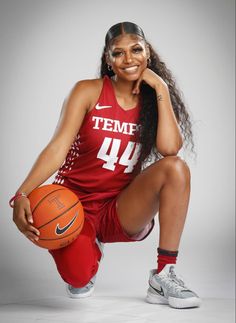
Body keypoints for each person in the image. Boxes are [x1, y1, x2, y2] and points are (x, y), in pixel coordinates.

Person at [10, 21, 201, 309]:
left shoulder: (152, 100)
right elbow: (58, 147)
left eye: (136, 50)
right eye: (118, 53)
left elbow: (170, 149)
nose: (128, 59)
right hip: (74, 206)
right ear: (108, 60)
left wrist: (160, 85)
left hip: (119, 208)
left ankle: (164, 274)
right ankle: (86, 244)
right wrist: (22, 193)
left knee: (176, 167)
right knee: (77, 281)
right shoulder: (87, 91)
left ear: (148, 53)